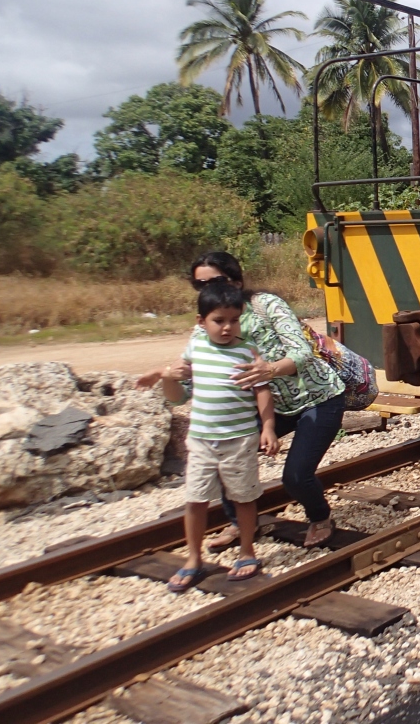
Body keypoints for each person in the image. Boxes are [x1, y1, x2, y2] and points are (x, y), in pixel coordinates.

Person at [139, 251, 347, 547]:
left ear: (236, 280)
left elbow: (301, 352)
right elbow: (184, 392)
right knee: (226, 459)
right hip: (271, 408)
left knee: (296, 475)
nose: (208, 289)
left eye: (217, 281)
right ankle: (241, 524)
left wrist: (270, 369)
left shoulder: (265, 305)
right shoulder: (205, 330)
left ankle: (320, 516)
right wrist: (168, 377)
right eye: (200, 285)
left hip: (318, 399)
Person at [160, 283, 278, 591]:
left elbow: (262, 391)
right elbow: (175, 398)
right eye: (218, 321)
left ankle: (247, 552)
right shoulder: (194, 351)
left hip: (239, 440)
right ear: (201, 322)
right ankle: (193, 559)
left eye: (233, 320)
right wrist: (167, 379)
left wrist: (268, 427)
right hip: (200, 441)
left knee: (243, 497)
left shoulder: (247, 351)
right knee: (196, 500)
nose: (227, 327)